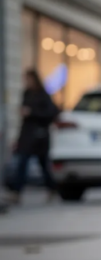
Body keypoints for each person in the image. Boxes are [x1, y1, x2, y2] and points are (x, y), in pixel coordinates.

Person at [6, 70, 60, 204]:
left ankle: (52, 188)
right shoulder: (26, 93)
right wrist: (18, 139)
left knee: (43, 166)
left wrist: (32, 112)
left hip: (40, 137)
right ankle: (16, 192)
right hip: (27, 136)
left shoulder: (43, 95)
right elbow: (23, 120)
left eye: (28, 79)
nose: (27, 82)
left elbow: (52, 113)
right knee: (22, 164)